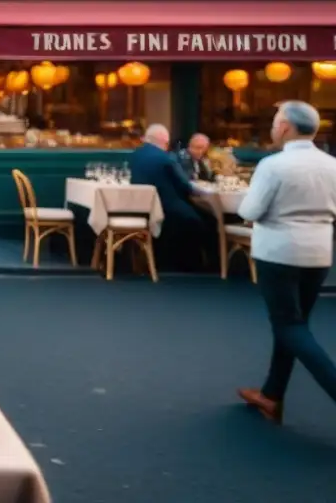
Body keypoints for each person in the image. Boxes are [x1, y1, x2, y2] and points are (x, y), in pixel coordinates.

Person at [236, 101, 336, 424]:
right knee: (295, 325)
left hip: (278, 253)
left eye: (276, 121)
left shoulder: (273, 165)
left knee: (289, 326)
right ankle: (271, 395)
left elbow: (249, 212)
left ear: (284, 128)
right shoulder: (332, 165)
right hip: (319, 254)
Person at [130, 124, 216, 271]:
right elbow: (185, 186)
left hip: (142, 206)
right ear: (164, 141)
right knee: (205, 219)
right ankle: (199, 266)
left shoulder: (135, 155)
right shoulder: (166, 159)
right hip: (167, 206)